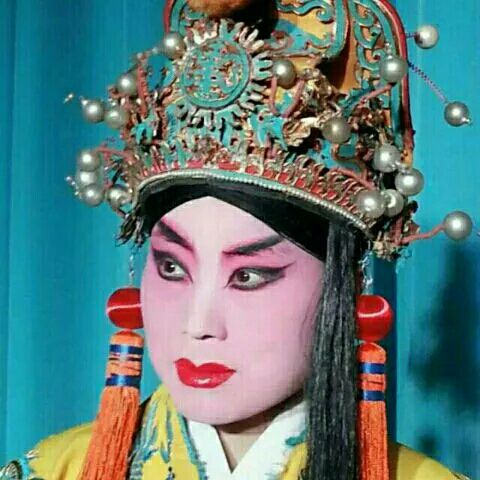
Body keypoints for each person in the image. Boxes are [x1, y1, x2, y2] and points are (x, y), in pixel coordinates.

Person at [0, 0, 473, 479]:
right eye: (171, 268)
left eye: (247, 275)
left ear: (346, 286)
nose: (198, 324)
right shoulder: (57, 470)